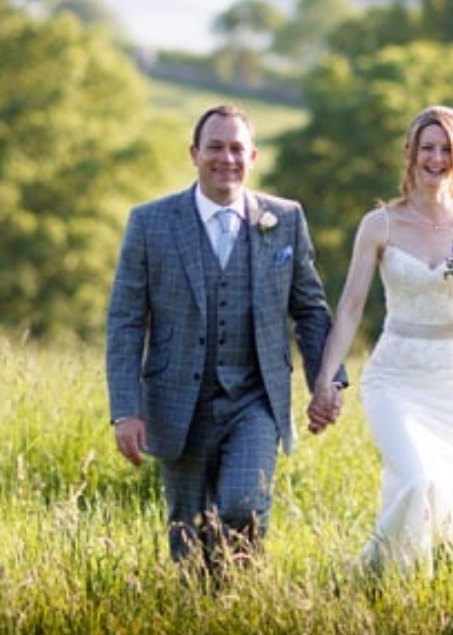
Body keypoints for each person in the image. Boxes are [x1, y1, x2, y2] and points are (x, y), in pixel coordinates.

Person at [106, 104, 345, 572]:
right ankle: (206, 603)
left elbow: (311, 309)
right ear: (194, 153)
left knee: (243, 506)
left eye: (237, 148)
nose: (226, 159)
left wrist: (327, 381)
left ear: (253, 156)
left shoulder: (285, 219)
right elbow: (126, 321)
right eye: (215, 147)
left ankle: (240, 592)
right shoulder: (150, 223)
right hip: (176, 402)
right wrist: (126, 410)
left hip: (254, 402)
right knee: (187, 536)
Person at [307, 105, 453, 575]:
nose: (436, 159)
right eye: (427, 148)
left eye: (446, 149)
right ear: (410, 154)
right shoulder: (380, 224)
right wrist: (325, 378)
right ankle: (379, 575)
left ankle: (436, 578)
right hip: (396, 377)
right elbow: (351, 307)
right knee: (417, 479)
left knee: (446, 487)